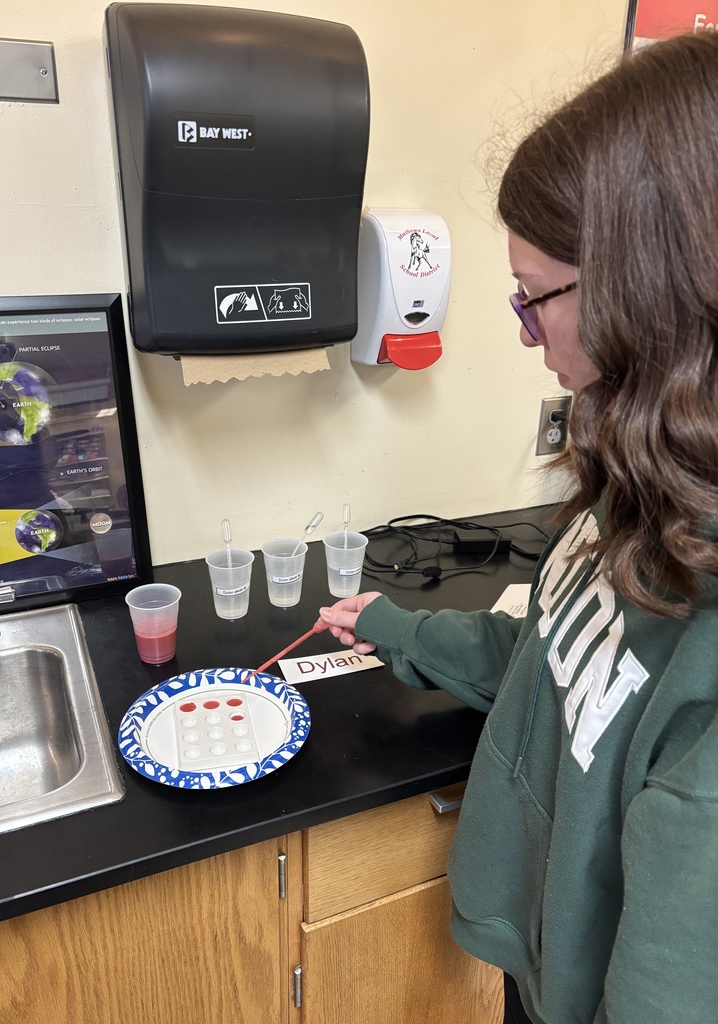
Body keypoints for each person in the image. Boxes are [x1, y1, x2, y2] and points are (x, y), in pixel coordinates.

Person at [318, 31, 718, 1024]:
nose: (522, 330)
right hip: (544, 967)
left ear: (651, 293)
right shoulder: (648, 482)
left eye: (535, 301)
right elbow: (557, 661)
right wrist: (394, 624)